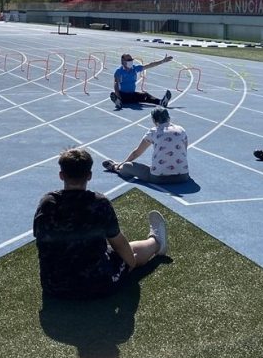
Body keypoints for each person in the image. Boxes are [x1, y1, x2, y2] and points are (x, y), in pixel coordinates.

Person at [33, 148, 168, 299]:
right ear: (89, 176)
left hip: (53, 286)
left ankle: (153, 244)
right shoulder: (98, 203)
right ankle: (156, 242)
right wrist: (131, 264)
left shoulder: (47, 203)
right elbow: (120, 243)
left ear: (61, 175)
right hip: (97, 283)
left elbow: (41, 240)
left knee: (105, 251)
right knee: (128, 252)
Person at [101, 108, 191, 184]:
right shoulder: (181, 130)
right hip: (183, 176)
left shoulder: (153, 131)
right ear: (169, 118)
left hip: (159, 178)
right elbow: (184, 151)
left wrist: (124, 162)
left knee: (128, 166)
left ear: (154, 120)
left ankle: (115, 167)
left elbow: (136, 153)